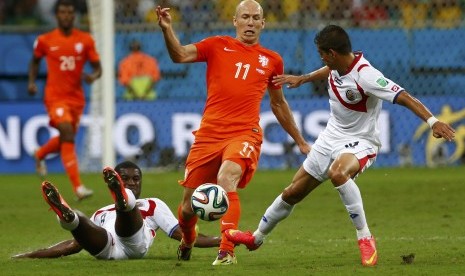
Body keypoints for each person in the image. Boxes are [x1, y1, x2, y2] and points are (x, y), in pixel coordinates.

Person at [225, 24, 456, 267]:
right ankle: (256, 238)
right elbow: (329, 71)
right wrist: (304, 78)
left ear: (333, 53)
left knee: (338, 172)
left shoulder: (367, 75)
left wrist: (433, 121)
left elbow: (405, 96)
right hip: (330, 137)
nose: (322, 59)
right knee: (292, 192)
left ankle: (365, 236)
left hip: (361, 141)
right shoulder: (339, 64)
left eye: (323, 54)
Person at [156, 0, 310, 266]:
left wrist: (301, 141)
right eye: (245, 17)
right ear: (235, 21)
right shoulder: (217, 45)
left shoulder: (273, 60)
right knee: (188, 207)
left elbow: (278, 103)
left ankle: (226, 250)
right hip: (209, 134)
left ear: (263, 24)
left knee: (227, 178)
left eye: (255, 18)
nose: (250, 23)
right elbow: (179, 55)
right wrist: (167, 29)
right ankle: (188, 238)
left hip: (244, 133)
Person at [12, 161, 220, 259]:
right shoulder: (101, 212)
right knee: (80, 221)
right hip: (106, 248)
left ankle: (123, 203)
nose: (132, 182)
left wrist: (221, 240)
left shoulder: (152, 204)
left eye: (135, 179)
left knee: (127, 214)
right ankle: (68, 217)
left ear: (141, 182)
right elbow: (74, 245)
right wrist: (30, 255)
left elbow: (181, 233)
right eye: (126, 179)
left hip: (134, 242)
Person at [28, 0, 102, 200]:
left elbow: (98, 69)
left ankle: (41, 153)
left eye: (70, 12)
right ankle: (78, 188)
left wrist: (92, 77)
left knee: (66, 138)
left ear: (74, 15)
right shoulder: (45, 40)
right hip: (54, 97)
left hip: (77, 99)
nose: (66, 16)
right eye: (62, 12)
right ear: (57, 15)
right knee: (67, 132)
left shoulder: (85, 40)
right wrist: (32, 82)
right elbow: (34, 61)